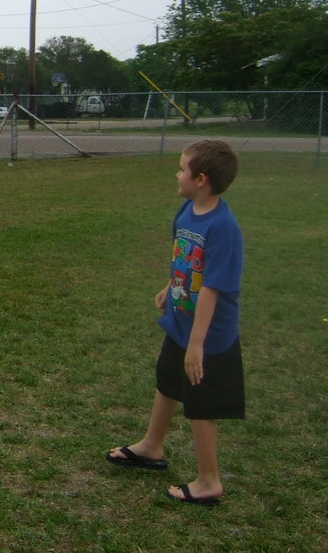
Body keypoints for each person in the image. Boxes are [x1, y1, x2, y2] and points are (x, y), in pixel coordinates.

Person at [106, 139, 245, 507]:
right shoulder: (186, 211)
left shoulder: (223, 227)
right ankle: (152, 446)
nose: (177, 174)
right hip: (181, 322)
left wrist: (197, 345)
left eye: (182, 168)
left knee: (200, 404)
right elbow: (186, 261)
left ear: (201, 179)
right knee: (168, 382)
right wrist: (170, 287)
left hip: (209, 336)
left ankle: (208, 480)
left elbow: (213, 288)